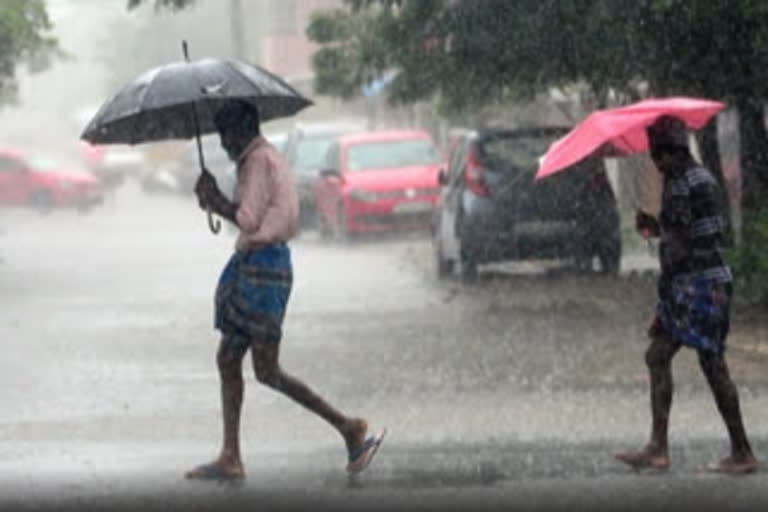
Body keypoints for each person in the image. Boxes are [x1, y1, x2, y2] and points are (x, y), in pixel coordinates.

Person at [185, 100, 386, 481]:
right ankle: (231, 454)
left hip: (264, 268)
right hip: (256, 266)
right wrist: (213, 201)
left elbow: (247, 218)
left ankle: (349, 427)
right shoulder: (261, 158)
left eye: (226, 134)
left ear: (241, 129)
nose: (224, 143)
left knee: (266, 369)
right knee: (229, 358)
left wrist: (215, 201)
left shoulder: (258, 161)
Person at [614, 115, 758, 474]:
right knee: (666, 356)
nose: (654, 163)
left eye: (656, 154)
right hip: (710, 282)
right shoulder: (702, 178)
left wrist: (663, 292)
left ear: (670, 152)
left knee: (705, 363)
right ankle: (662, 447)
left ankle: (738, 451)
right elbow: (690, 232)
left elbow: (679, 249)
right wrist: (657, 227)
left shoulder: (679, 183)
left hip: (697, 286)